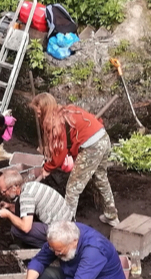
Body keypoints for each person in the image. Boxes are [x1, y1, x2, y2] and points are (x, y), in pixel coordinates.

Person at [30, 93, 118, 224]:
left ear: (45, 109)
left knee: (72, 189)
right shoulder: (67, 110)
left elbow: (59, 154)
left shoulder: (55, 122)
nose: (37, 116)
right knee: (101, 178)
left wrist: (47, 168)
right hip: (103, 138)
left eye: (38, 113)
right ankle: (111, 215)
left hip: (92, 147)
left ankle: (67, 227)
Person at [0, 169, 73, 249]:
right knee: (19, 208)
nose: (3, 194)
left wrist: (8, 215)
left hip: (63, 231)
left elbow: (26, 227)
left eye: (3, 192)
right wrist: (9, 206)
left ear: (13, 188)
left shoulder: (26, 196)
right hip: (67, 222)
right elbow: (25, 208)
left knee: (16, 230)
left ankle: (49, 247)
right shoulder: (29, 186)